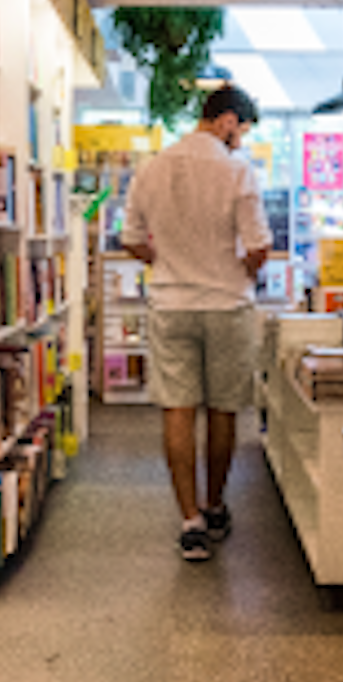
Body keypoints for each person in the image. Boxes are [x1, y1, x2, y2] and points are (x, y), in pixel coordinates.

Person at [117, 84, 273, 563]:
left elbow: (130, 240)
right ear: (226, 120)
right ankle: (215, 504)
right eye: (241, 130)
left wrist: (164, 262)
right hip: (227, 306)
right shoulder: (237, 170)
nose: (240, 141)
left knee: (177, 409)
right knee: (224, 409)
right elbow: (259, 246)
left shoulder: (153, 166)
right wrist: (237, 272)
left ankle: (190, 522)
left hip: (170, 303)